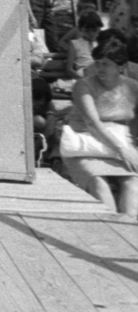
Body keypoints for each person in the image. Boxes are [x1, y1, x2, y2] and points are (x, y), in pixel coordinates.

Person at [58, 30, 138, 216]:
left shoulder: (133, 87)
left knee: (133, 184)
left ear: (121, 66)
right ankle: (111, 228)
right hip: (84, 145)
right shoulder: (83, 86)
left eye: (106, 64)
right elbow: (92, 123)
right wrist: (122, 150)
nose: (100, 69)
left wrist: (132, 148)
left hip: (120, 145)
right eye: (98, 63)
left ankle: (128, 232)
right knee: (99, 183)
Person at [66, 11, 105, 77]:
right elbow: (69, 69)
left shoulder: (102, 43)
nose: (91, 34)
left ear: (99, 29)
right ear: (80, 29)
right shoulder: (74, 44)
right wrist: (82, 79)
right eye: (87, 30)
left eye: (94, 30)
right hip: (82, 75)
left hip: (100, 76)